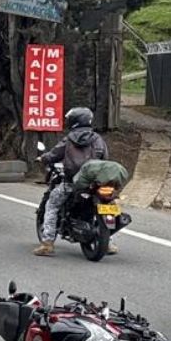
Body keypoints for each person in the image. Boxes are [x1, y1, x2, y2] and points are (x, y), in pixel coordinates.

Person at [34, 106, 111, 257]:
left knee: (52, 204)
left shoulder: (69, 139)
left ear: (74, 121)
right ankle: (110, 243)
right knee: (107, 205)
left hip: (71, 184)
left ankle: (47, 243)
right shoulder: (98, 139)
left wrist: (42, 158)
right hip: (95, 184)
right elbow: (105, 158)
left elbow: (54, 154)